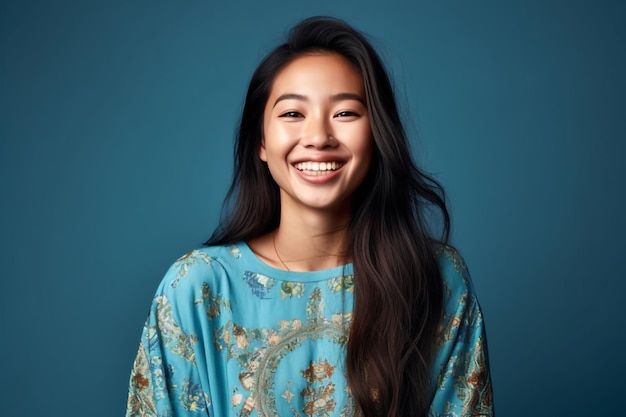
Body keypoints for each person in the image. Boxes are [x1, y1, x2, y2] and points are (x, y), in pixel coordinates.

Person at [126, 16, 493, 417]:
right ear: (260, 143)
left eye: (346, 113)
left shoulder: (435, 277)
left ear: (378, 136)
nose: (318, 137)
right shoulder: (196, 288)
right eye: (292, 114)